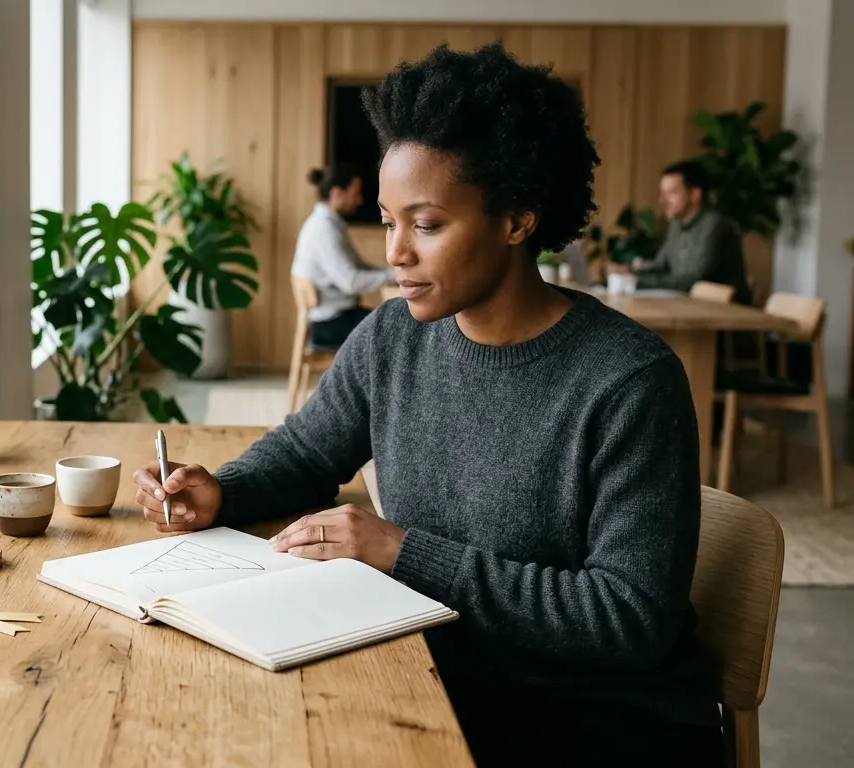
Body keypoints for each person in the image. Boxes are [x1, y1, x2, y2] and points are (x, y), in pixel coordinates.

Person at [133, 43, 721, 768]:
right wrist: (224, 490)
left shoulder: (629, 380)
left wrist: (402, 552)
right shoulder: (391, 338)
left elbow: (628, 619)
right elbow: (307, 451)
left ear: (517, 220)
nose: (396, 253)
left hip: (595, 718)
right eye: (387, 221)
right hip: (434, 673)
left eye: (428, 225)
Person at [611, 160, 752, 304]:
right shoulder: (676, 224)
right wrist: (628, 271)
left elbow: (691, 280)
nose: (662, 201)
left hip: (726, 316)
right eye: (662, 194)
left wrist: (637, 281)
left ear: (695, 194)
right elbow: (661, 265)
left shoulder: (715, 225)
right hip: (691, 308)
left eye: (671, 193)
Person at [291, 163, 395, 348]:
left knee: (392, 322)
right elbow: (351, 282)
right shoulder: (324, 229)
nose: (360, 200)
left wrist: (393, 272)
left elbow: (360, 266)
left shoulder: (329, 224)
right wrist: (393, 275)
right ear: (337, 193)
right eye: (355, 193)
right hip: (331, 324)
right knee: (395, 330)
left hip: (337, 318)